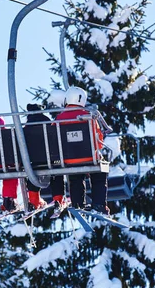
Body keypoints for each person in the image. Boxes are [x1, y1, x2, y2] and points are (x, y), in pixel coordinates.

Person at [55, 86, 111, 215]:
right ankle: (99, 204)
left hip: (68, 158)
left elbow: (54, 138)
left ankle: (77, 204)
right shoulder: (88, 117)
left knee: (75, 178)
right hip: (89, 157)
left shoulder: (59, 119)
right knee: (99, 176)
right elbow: (98, 138)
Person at [25, 99, 67, 210]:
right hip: (51, 160)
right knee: (57, 174)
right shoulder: (48, 124)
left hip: (34, 162)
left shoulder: (25, 129)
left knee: (32, 174)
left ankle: (33, 201)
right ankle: (58, 199)